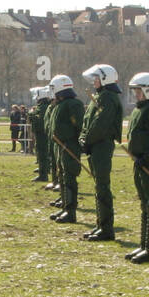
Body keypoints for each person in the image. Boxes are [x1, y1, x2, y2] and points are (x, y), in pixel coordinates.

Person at [78, 64, 123, 241]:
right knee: (98, 185)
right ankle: (100, 224)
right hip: (94, 145)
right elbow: (88, 121)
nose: (94, 81)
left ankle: (106, 228)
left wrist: (87, 140)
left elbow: (101, 124)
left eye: (97, 78)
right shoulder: (100, 96)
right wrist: (83, 138)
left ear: (105, 79)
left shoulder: (108, 97)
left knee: (102, 186)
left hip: (102, 145)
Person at [124, 72, 149, 263]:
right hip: (139, 164)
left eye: (139, 91)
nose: (136, 95)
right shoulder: (139, 109)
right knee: (144, 204)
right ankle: (143, 244)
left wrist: (147, 157)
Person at [48, 76, 84, 223]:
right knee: (62, 176)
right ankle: (64, 206)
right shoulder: (60, 104)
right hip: (61, 145)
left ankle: (71, 211)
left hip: (69, 145)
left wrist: (72, 140)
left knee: (69, 177)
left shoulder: (73, 104)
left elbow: (77, 124)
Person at [28, 87, 52, 182]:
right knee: (41, 154)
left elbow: (40, 122)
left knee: (42, 154)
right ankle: (43, 170)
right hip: (42, 134)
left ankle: (43, 174)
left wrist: (31, 115)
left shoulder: (43, 107)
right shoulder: (43, 106)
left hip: (42, 134)